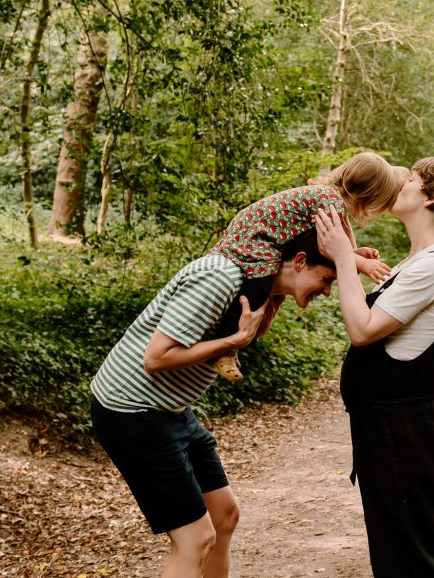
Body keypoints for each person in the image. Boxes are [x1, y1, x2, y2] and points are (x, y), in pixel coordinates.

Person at [90, 228, 337, 578]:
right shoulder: (220, 279)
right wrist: (235, 340)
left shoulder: (261, 292)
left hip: (170, 409)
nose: (327, 291)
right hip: (132, 409)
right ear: (299, 261)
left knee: (223, 516)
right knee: (196, 538)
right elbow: (156, 358)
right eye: (326, 279)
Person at [315, 156, 434, 578]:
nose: (398, 183)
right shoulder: (416, 261)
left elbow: (362, 329)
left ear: (431, 197)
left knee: (410, 564)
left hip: (405, 436)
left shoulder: (431, 266)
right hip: (392, 431)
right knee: (394, 560)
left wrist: (341, 256)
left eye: (410, 179)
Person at [207, 151, 408, 382]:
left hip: (254, 232)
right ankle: (224, 347)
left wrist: (354, 254)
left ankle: (228, 342)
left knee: (263, 289)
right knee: (259, 287)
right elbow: (326, 248)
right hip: (256, 238)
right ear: (367, 196)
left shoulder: (329, 198)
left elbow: (339, 240)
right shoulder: (331, 201)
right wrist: (361, 264)